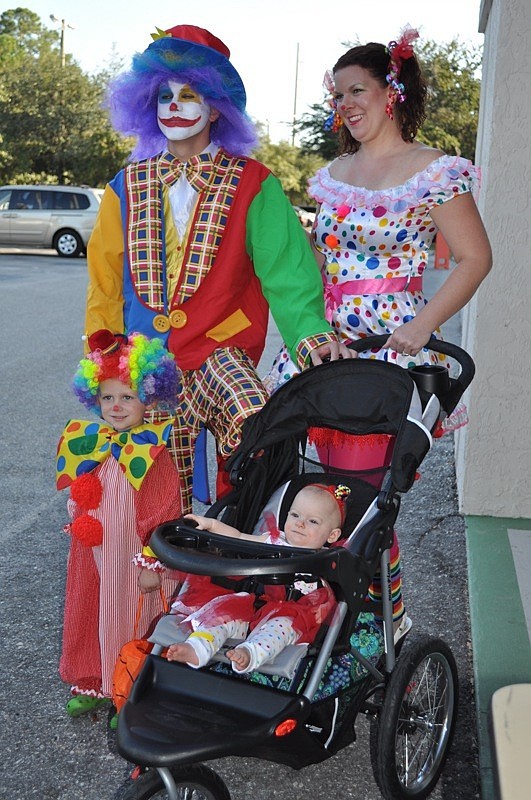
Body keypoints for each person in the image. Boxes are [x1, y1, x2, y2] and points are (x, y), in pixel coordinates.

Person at [264, 27, 492, 635]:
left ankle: (377, 619)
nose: (345, 105)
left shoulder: (432, 171)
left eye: (357, 90)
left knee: (365, 500)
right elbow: (313, 264)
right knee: (319, 496)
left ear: (391, 92)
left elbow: (475, 258)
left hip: (388, 352)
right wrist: (309, 329)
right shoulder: (334, 173)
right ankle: (321, 615)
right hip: (327, 351)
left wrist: (422, 326)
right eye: (337, 96)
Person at [84, 23, 352, 515]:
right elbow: (104, 276)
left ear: (215, 107)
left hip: (220, 349)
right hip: (146, 361)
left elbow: (287, 272)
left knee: (260, 428)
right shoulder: (126, 184)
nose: (173, 105)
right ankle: (168, 577)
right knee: (161, 489)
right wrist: (103, 348)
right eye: (163, 95)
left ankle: (240, 546)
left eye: (188, 94)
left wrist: (311, 336)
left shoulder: (254, 182)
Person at [55, 330, 184, 716]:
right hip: (93, 550)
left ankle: (127, 690)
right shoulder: (95, 444)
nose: (116, 406)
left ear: (148, 397)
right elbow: (83, 491)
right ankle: (93, 677)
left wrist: (153, 562)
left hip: (131, 557)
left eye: (127, 396)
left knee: (126, 615)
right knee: (90, 607)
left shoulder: (152, 453)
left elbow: (163, 512)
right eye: (108, 397)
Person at [164, 484, 350, 673]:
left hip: (292, 615)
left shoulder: (326, 560)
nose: (300, 523)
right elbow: (238, 537)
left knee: (280, 628)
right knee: (222, 614)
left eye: (313, 521)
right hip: (251, 606)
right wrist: (211, 525)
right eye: (295, 515)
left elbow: (328, 600)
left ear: (332, 535)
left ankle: (250, 653)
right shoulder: (273, 541)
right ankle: (197, 647)